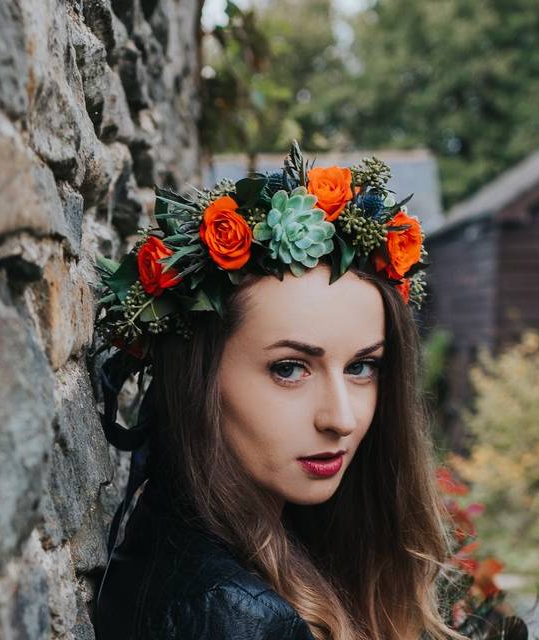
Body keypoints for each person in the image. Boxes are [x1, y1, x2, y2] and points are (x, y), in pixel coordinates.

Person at [89, 143, 463, 640]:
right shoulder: (230, 614)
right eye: (289, 369)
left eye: (361, 367)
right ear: (198, 383)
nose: (342, 419)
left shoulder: (269, 544)